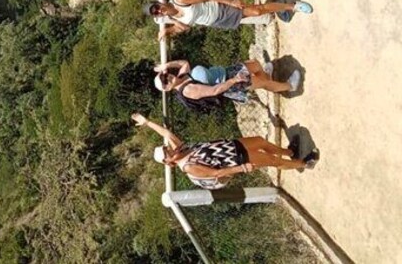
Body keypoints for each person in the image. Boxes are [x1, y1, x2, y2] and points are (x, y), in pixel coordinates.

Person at [131, 113, 317, 189]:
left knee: (261, 141)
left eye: (166, 148)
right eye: (166, 154)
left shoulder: (181, 148)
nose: (169, 150)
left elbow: (166, 133)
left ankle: (289, 152)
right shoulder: (188, 167)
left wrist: (147, 123)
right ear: (168, 162)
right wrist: (241, 168)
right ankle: (303, 163)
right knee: (271, 160)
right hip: (236, 158)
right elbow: (216, 173)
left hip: (232, 145)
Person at [144, 0, 313, 39]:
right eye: (156, 13)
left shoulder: (180, 0)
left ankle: (293, 6)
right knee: (257, 11)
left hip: (221, 8)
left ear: (159, 2)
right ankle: (281, 6)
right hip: (218, 21)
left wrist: (230, 1)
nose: (159, 11)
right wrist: (167, 29)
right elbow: (185, 28)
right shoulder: (175, 19)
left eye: (157, 7)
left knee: (257, 11)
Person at [153, 59, 302, 109]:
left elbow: (184, 63)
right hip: (230, 83)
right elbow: (214, 91)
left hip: (226, 73)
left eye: (164, 75)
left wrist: (166, 65)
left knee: (255, 65)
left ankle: (269, 79)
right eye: (165, 82)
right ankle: (289, 86)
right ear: (167, 89)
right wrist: (234, 80)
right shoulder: (188, 90)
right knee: (261, 82)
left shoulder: (181, 77)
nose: (167, 78)